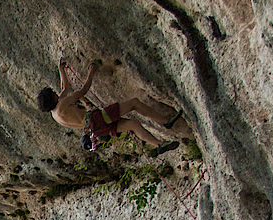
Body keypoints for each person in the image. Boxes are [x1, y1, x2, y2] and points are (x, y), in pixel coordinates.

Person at [37, 58, 181, 154]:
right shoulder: (62, 104)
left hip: (96, 129)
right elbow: (83, 90)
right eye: (54, 94)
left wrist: (61, 69)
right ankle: (166, 121)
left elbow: (65, 87)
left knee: (134, 124)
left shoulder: (56, 114)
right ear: (52, 98)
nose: (57, 93)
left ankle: (159, 144)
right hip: (99, 118)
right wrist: (91, 72)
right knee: (134, 103)